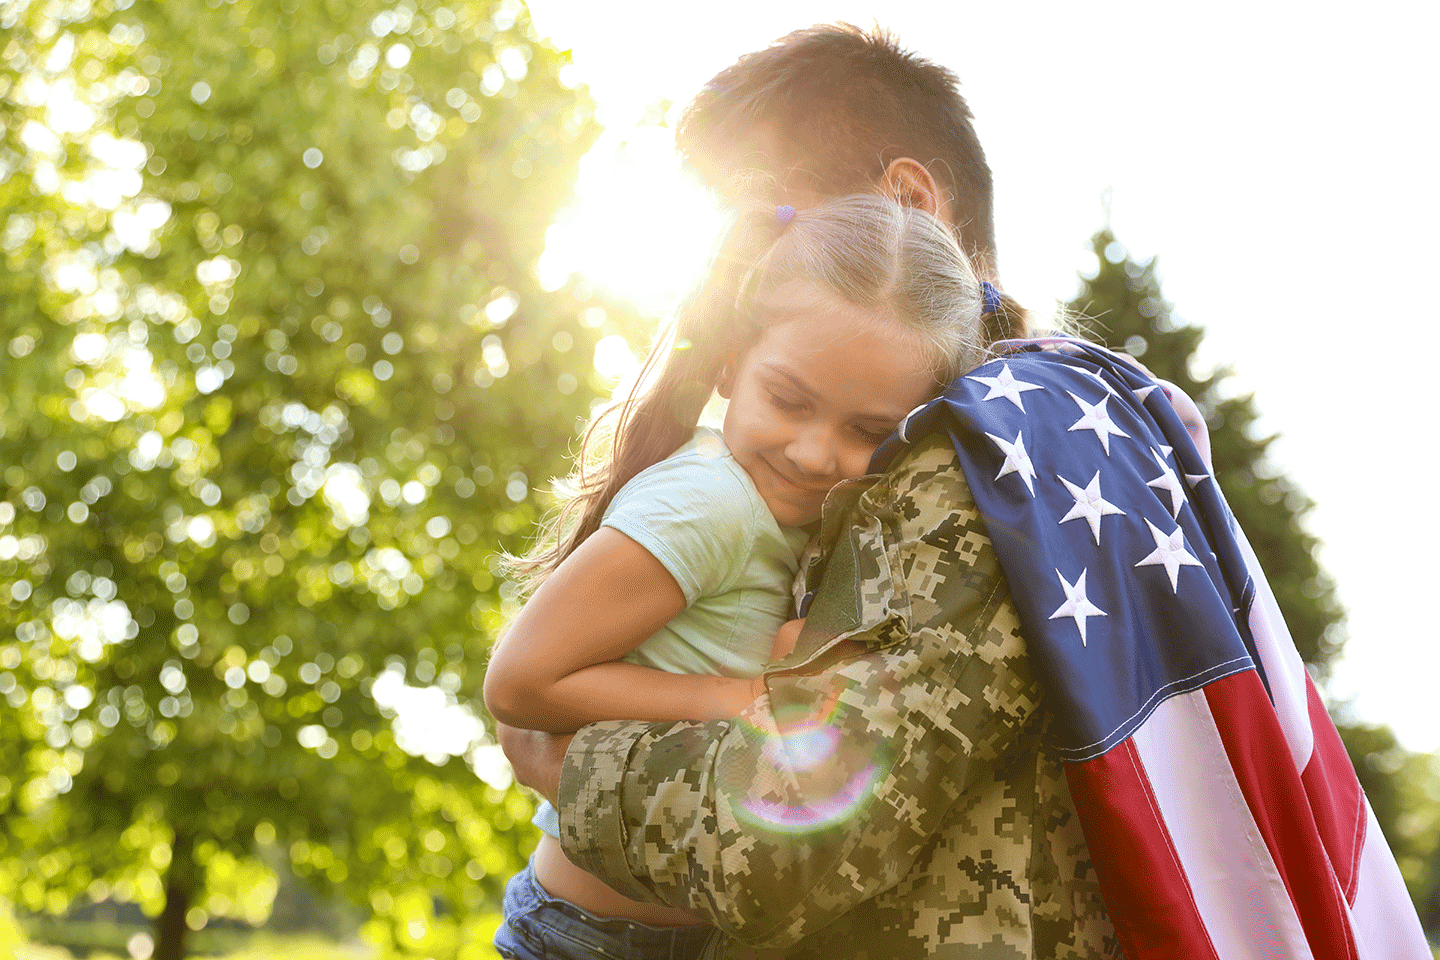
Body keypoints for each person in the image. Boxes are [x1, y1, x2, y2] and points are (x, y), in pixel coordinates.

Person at [499, 23, 1430, 960]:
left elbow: (788, 846)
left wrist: (579, 763)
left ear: (909, 201)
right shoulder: (1042, 440)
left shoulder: (988, 460)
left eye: (774, 224)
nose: (735, 281)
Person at [483, 193, 995, 960]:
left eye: (868, 432)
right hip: (589, 939)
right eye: (789, 401)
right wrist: (730, 699)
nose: (816, 453)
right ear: (731, 362)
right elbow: (520, 683)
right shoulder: (711, 502)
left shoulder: (793, 516)